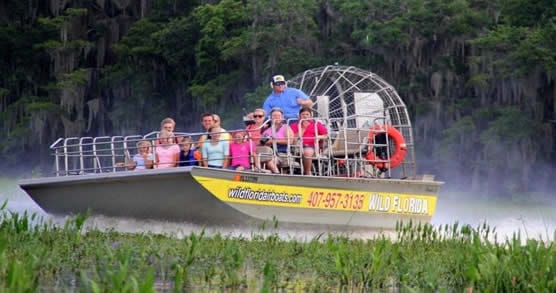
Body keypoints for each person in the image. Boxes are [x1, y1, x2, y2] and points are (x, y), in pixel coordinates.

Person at [291, 107, 328, 175]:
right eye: (303, 114)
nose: (305, 116)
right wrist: (303, 128)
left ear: (311, 116)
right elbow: (293, 138)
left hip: (313, 146)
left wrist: (319, 136)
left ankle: (307, 172)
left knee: (307, 152)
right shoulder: (294, 125)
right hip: (297, 146)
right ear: (299, 116)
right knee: (305, 151)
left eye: (307, 114)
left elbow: (326, 135)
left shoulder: (316, 124)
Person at [260, 108, 293, 173]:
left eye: (278, 116)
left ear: (282, 117)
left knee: (269, 161)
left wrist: (274, 141)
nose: (276, 117)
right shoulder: (266, 131)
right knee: (261, 158)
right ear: (270, 117)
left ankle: (277, 175)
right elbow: (262, 143)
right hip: (269, 153)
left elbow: (290, 141)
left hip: (282, 153)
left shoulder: (286, 127)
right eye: (274, 116)